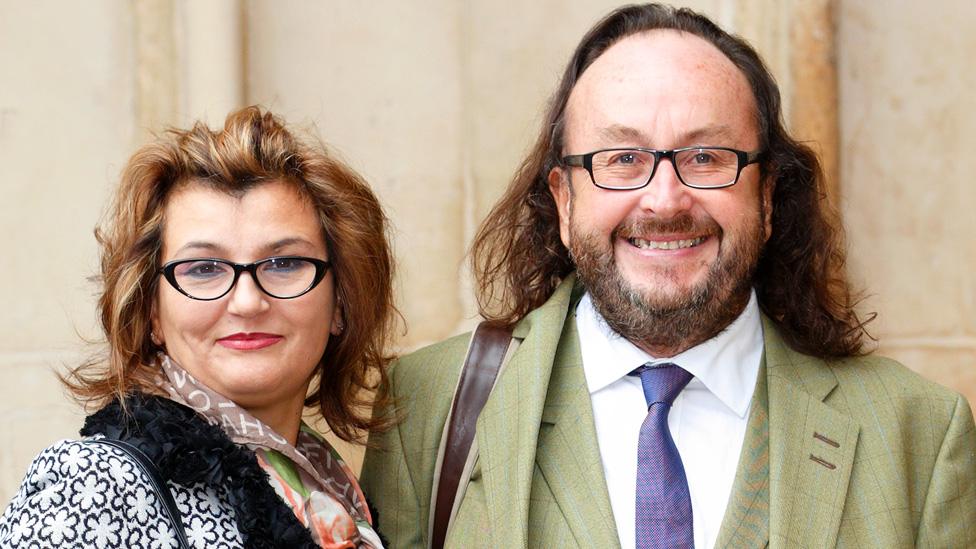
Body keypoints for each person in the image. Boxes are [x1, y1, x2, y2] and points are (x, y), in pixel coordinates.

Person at [360, 4, 976, 548]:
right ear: (566, 202)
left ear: (766, 198)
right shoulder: (426, 409)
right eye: (622, 158)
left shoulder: (920, 436)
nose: (664, 199)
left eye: (705, 157)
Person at [0, 106, 394, 548]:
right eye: (203, 268)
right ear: (151, 312)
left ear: (341, 301)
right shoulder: (95, 486)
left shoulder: (332, 488)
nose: (247, 302)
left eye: (285, 263)